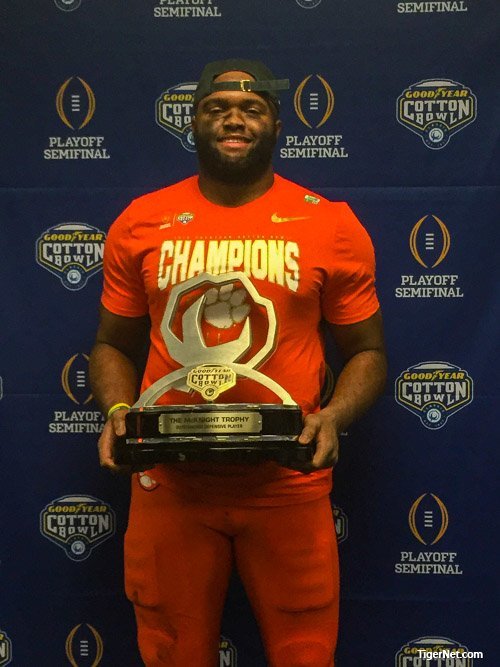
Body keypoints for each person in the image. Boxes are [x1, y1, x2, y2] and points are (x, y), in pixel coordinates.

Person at [89, 58, 387, 667]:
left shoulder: (330, 223)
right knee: (171, 653)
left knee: (304, 653)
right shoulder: (141, 221)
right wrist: (120, 410)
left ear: (277, 126)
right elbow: (112, 344)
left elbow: (369, 353)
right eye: (216, 108)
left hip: (287, 485)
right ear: (193, 123)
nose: (234, 119)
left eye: (252, 109)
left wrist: (332, 417)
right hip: (168, 483)